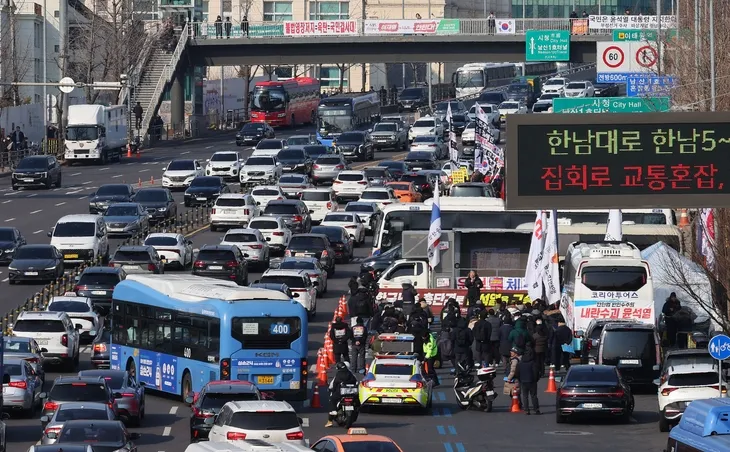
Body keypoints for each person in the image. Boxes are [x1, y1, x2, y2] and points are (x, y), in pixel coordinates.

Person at [325, 361, 358, 427]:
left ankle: (331, 419)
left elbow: (334, 383)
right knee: (357, 403)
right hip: (352, 393)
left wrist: (332, 390)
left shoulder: (339, 374)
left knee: (332, 399)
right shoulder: (351, 374)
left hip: (341, 394)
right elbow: (356, 382)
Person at [518, 347, 541, 415]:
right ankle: (536, 409)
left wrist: (520, 379)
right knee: (533, 395)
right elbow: (536, 372)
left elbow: (517, 372)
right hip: (532, 381)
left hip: (523, 381)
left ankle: (526, 410)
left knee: (525, 396)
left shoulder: (521, 363)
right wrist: (535, 379)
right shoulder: (533, 363)